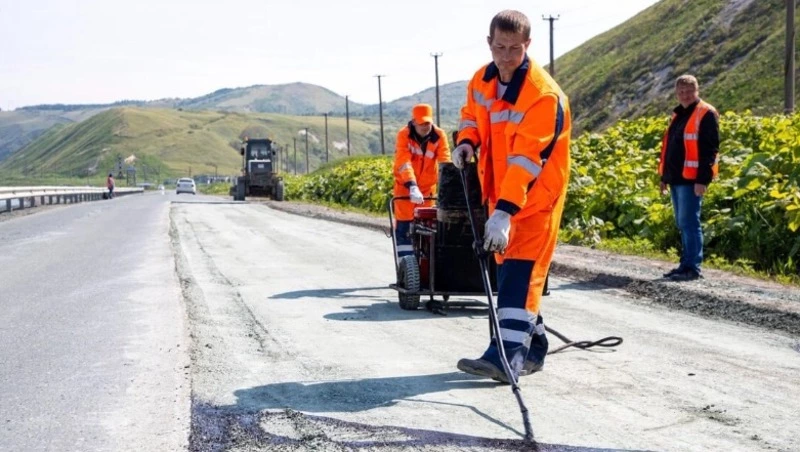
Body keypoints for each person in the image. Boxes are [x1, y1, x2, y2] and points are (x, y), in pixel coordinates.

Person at [452, 10, 572, 384]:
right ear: (489, 43)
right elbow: (471, 117)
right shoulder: (481, 80)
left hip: (535, 202)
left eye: (514, 49)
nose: (506, 57)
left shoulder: (542, 95)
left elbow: (526, 162)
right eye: (500, 47)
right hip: (500, 197)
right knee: (508, 276)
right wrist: (466, 141)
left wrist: (504, 212)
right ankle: (534, 349)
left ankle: (505, 358)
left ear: (527, 45)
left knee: (521, 274)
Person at [659, 75, 720, 281]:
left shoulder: (706, 113)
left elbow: (710, 151)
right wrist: (664, 177)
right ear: (677, 93)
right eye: (681, 92)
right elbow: (670, 149)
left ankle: (692, 268)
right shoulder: (679, 114)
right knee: (682, 223)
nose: (685, 95)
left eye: (688, 91)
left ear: (697, 91)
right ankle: (685, 265)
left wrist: (702, 180)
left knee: (689, 223)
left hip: (692, 180)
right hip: (677, 178)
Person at [392, 103, 451, 263]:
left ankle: (424, 264)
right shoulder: (404, 135)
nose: (425, 126)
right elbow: (403, 162)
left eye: (427, 123)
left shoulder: (439, 136)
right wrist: (412, 186)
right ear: (414, 122)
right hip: (405, 189)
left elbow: (445, 161)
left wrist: (448, 186)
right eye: (421, 123)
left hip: (427, 191)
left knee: (427, 228)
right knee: (404, 228)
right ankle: (405, 265)